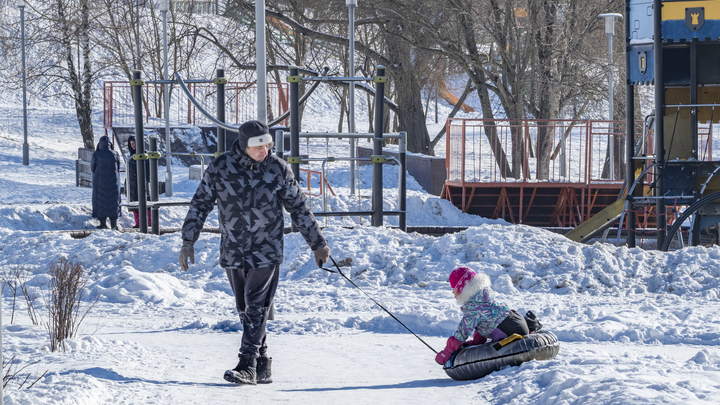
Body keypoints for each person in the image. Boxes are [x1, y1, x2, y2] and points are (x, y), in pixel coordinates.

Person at [178, 120, 331, 385]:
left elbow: (299, 208)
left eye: (268, 144)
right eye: (259, 145)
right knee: (244, 308)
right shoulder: (220, 167)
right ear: (244, 145)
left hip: (267, 250)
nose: (265, 150)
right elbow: (200, 203)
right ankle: (262, 363)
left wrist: (318, 243)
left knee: (256, 305)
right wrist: (188, 240)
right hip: (233, 250)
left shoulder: (277, 168)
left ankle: (246, 363)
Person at [435, 266, 541, 365]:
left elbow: (461, 333)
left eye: (454, 290)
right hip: (515, 319)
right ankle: (530, 326)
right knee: (494, 319)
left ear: (462, 289)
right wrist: (476, 342)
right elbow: (485, 323)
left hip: (509, 330)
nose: (453, 295)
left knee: (497, 342)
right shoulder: (483, 297)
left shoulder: (473, 309)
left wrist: (447, 352)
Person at [91, 135, 122, 230]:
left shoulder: (96, 154)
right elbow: (118, 167)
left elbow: (93, 168)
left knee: (100, 200)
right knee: (114, 200)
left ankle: (103, 223)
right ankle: (114, 224)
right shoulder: (115, 153)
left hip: (100, 181)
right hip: (114, 181)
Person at [126, 136, 150, 228]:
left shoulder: (145, 155)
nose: (132, 146)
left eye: (134, 143)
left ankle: (149, 221)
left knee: (146, 201)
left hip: (143, 181)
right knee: (135, 202)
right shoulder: (131, 156)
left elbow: (148, 170)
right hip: (133, 182)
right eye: (131, 144)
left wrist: (147, 180)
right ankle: (138, 222)